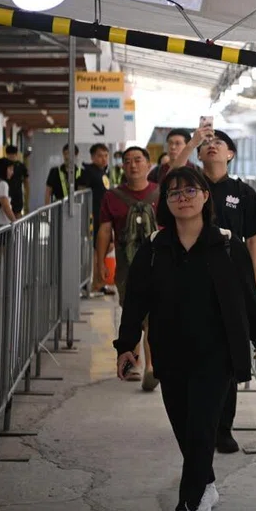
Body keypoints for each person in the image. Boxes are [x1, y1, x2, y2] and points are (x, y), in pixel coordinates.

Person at [113, 166, 256, 511]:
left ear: (205, 197)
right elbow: (136, 301)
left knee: (201, 428)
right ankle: (207, 483)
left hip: (216, 355)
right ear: (165, 203)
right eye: (174, 192)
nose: (182, 197)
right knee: (186, 429)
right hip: (170, 352)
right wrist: (126, 345)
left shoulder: (227, 246)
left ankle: (185, 509)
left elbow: (248, 294)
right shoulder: (155, 249)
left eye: (190, 190)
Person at [197, 130, 256, 454]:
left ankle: (223, 428)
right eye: (205, 144)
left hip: (232, 282)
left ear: (231, 154)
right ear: (199, 155)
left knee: (228, 354)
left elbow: (253, 239)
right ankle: (199, 424)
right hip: (194, 278)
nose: (211, 146)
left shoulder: (243, 193)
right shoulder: (189, 188)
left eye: (218, 143)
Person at [97, 147, 159, 388]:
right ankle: (134, 363)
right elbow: (104, 231)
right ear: (122, 166)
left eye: (138, 160)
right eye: (128, 161)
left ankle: (150, 366)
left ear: (148, 164)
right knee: (132, 312)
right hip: (126, 267)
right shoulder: (112, 197)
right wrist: (100, 263)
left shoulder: (161, 193)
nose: (133, 165)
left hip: (157, 262)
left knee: (152, 315)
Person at [82, 144, 113, 293]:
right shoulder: (88, 172)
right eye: (100, 155)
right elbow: (81, 192)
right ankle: (96, 283)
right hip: (93, 216)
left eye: (106, 155)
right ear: (93, 157)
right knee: (98, 249)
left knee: (105, 247)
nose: (104, 159)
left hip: (104, 216)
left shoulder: (103, 172)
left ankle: (98, 282)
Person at [4, 145, 28, 216]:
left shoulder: (21, 166)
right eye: (9, 155)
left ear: (16, 155)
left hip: (17, 196)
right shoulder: (3, 166)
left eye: (13, 155)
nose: (11, 157)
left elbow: (26, 182)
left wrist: (26, 198)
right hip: (6, 195)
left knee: (17, 215)